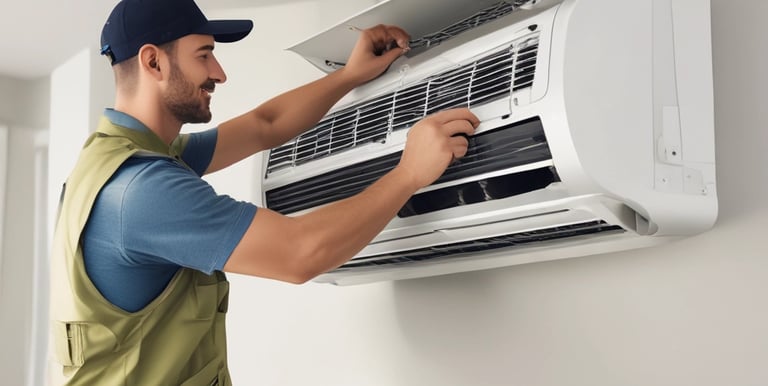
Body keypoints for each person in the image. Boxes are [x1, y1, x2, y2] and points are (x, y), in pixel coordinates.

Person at [49, 0, 479, 384]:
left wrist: (349, 76)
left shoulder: (117, 160)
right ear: (153, 63)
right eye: (205, 54)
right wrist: (409, 173)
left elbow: (264, 125)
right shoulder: (140, 191)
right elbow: (300, 253)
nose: (219, 73)